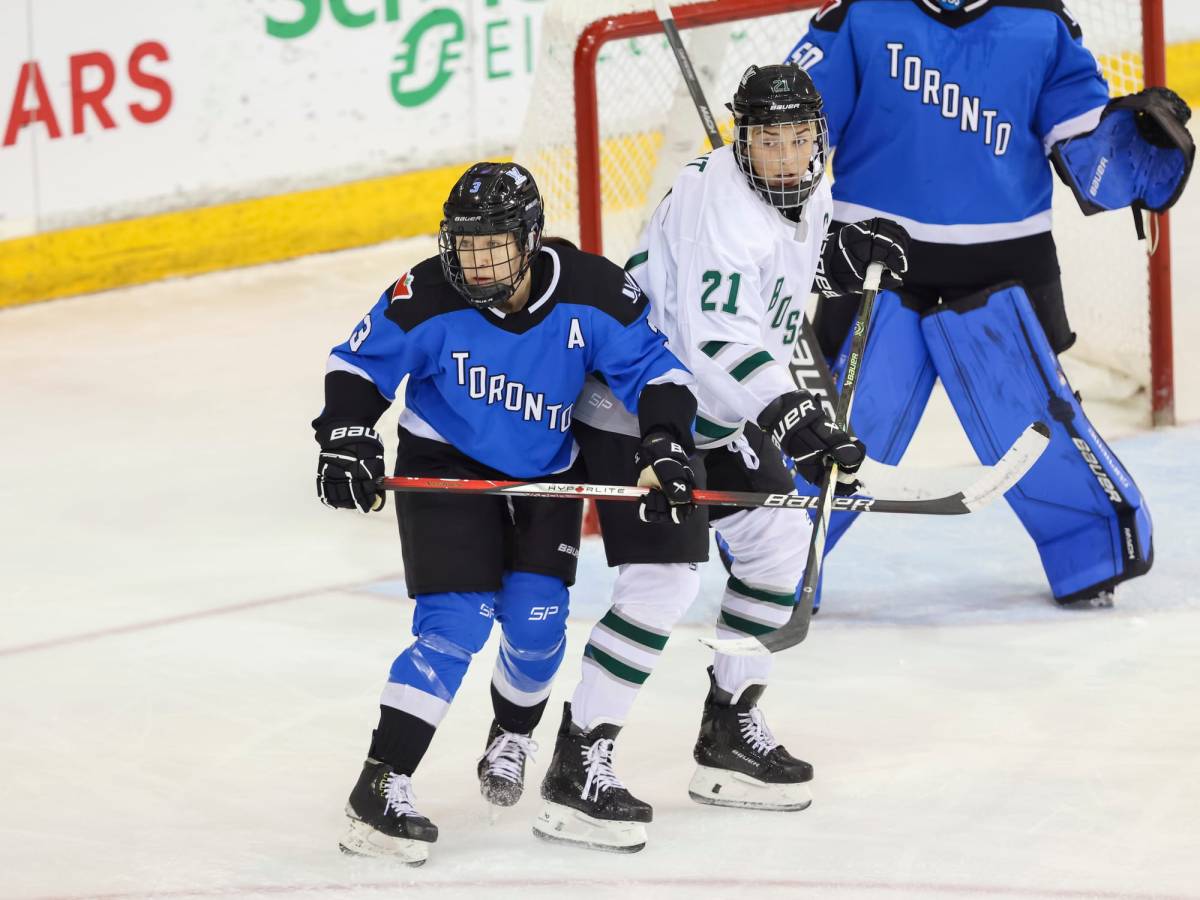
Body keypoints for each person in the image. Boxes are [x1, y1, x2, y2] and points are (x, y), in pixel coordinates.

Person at [532, 63, 910, 854]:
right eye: (766, 137)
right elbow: (715, 343)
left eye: (796, 137)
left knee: (777, 546)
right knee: (663, 582)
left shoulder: (808, 182)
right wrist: (796, 415)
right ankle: (578, 763)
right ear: (743, 136)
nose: (782, 152)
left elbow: (776, 279)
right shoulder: (715, 205)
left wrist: (837, 255)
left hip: (720, 409)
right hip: (638, 402)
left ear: (816, 138)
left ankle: (728, 731)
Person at [312, 161, 697, 865]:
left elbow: (659, 372)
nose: (475, 259)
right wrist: (346, 434)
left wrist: (665, 442)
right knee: (454, 622)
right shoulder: (424, 294)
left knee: (537, 622)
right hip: (443, 463)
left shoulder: (593, 292)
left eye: (493, 244)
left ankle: (513, 734)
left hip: (546, 474)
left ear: (530, 238)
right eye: (463, 243)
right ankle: (381, 783)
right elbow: (358, 367)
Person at [785, 0, 1191, 608]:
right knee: (845, 421)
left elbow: (1083, 146)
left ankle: (1094, 548)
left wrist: (1121, 136)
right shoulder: (861, 13)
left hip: (1005, 261)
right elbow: (801, 125)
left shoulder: (1041, 21)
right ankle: (776, 553)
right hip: (871, 255)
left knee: (1035, 422)